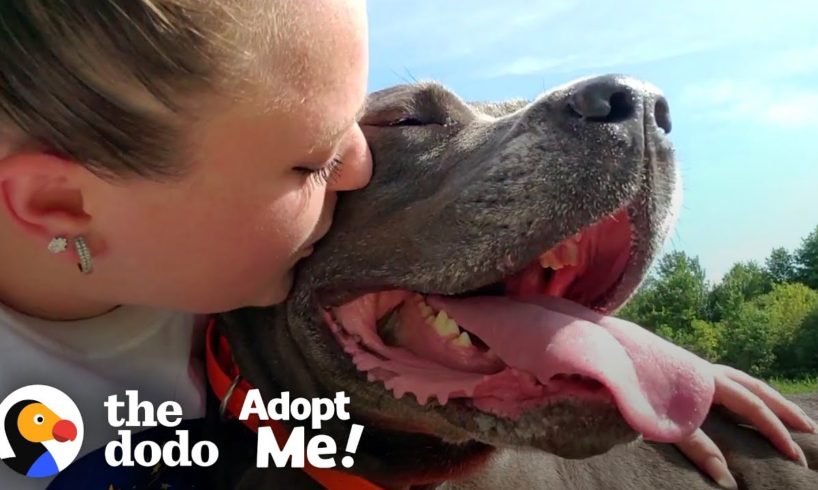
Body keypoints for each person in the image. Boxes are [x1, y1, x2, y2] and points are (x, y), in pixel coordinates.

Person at [0, 2, 812, 489]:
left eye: (362, 118)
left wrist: (625, 363)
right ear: (64, 206)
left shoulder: (186, 249)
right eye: (314, 159)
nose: (358, 158)